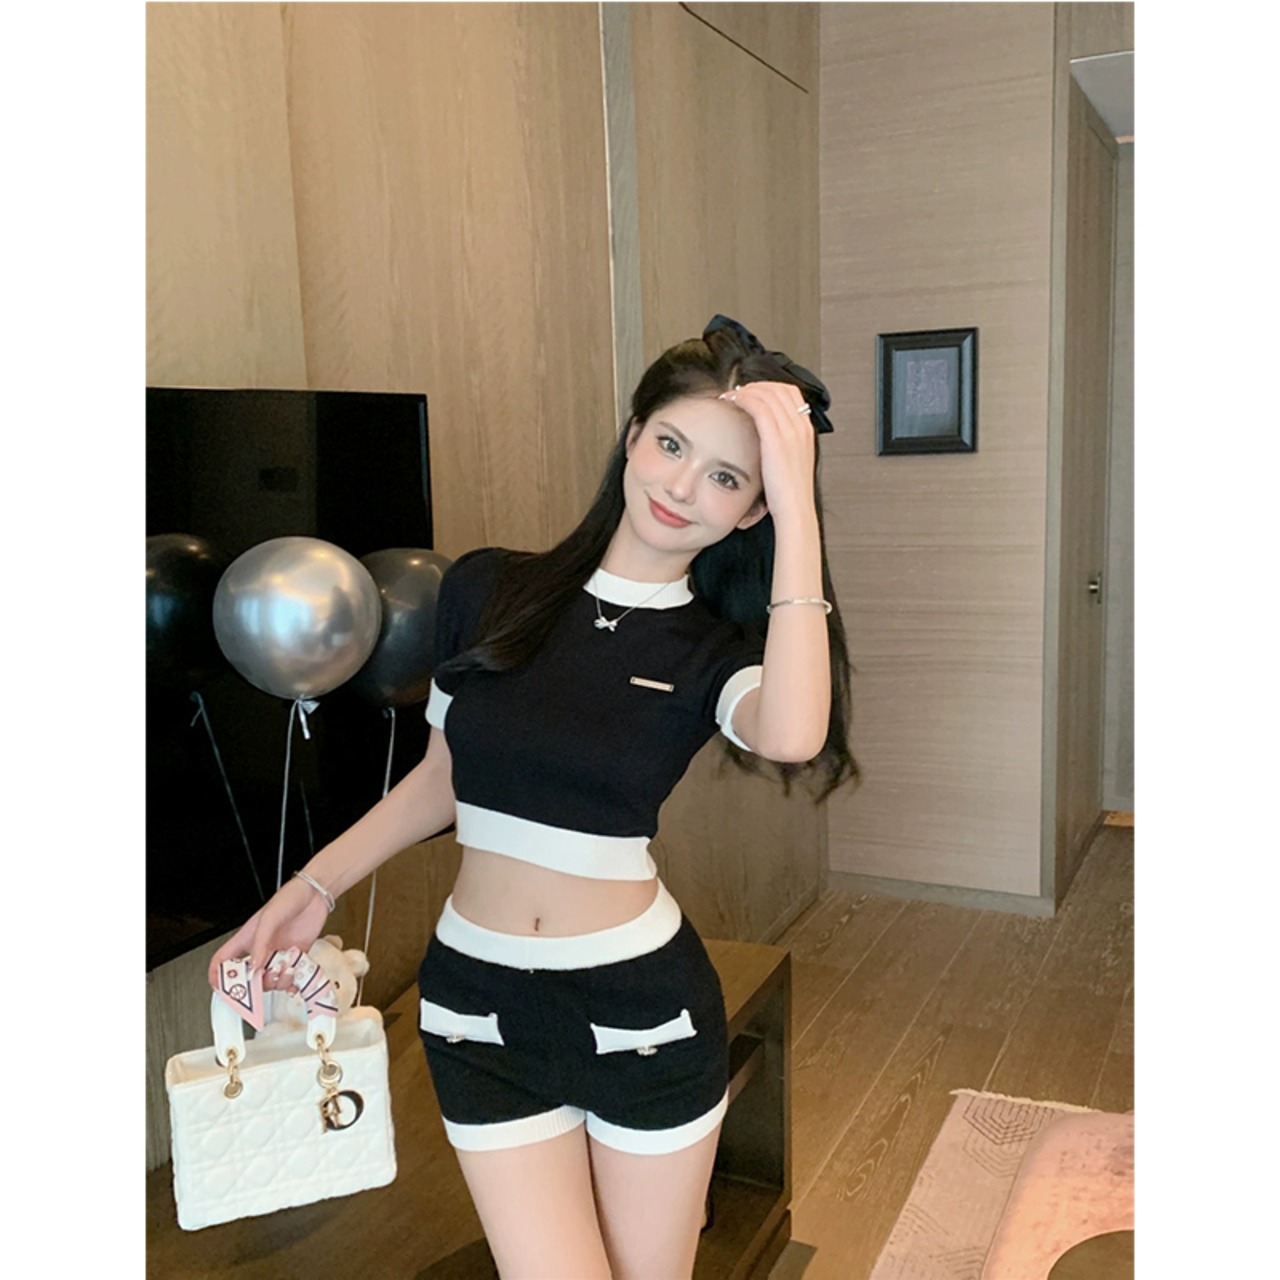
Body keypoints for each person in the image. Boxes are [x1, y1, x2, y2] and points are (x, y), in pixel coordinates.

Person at [210, 315, 857, 1279]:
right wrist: (315, 884)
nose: (683, 486)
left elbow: (795, 733)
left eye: (728, 478)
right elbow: (443, 781)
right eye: (671, 445)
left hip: (642, 1010)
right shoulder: (488, 589)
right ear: (632, 437)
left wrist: (800, 502)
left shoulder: (714, 652)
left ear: (752, 512)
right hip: (477, 1005)